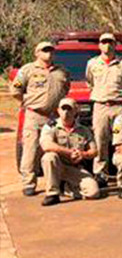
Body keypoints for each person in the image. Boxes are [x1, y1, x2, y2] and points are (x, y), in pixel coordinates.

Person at [12, 40, 70, 195]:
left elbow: (65, 89)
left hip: (54, 117)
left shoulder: (62, 71)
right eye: (44, 50)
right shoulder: (28, 70)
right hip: (34, 115)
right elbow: (16, 91)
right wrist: (28, 102)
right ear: (36, 53)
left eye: (50, 50)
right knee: (31, 150)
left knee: (55, 150)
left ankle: (57, 182)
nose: (48, 53)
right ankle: (28, 183)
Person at [85, 32, 122, 178]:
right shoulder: (92, 63)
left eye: (110, 42)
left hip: (119, 106)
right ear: (99, 45)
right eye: (104, 42)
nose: (107, 45)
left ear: (115, 45)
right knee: (100, 140)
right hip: (100, 106)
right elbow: (90, 82)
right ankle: (101, 173)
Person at [39, 98, 100, 205]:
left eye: (69, 109)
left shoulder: (84, 130)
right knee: (49, 157)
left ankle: (66, 188)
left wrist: (83, 154)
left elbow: (94, 151)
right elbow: (46, 146)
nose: (66, 112)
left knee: (93, 192)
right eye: (63, 109)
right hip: (57, 166)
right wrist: (69, 152)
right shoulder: (50, 127)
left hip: (74, 168)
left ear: (76, 111)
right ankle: (52, 194)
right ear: (58, 110)